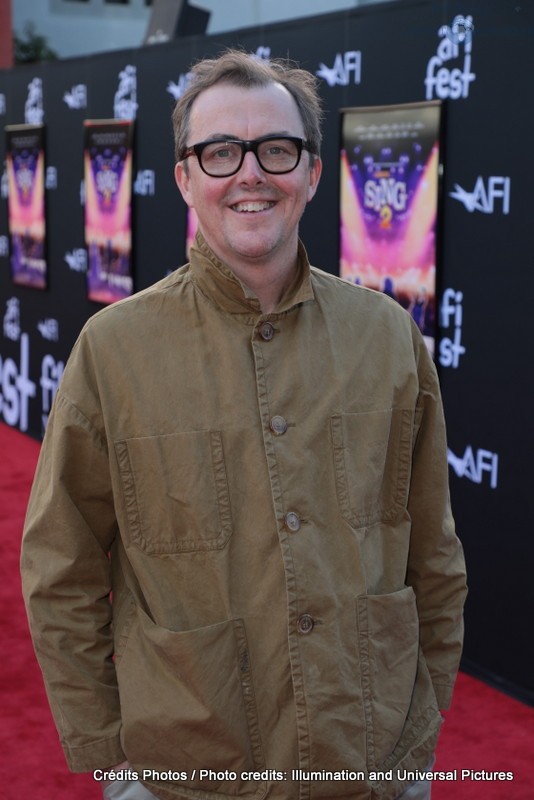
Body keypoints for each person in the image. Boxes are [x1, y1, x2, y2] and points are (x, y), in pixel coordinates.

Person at [21, 50, 467, 800]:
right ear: (185, 177)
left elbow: (433, 549)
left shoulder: (387, 335)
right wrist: (115, 765)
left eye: (277, 149)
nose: (250, 173)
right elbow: (60, 570)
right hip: (185, 775)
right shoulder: (114, 349)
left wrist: (420, 733)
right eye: (221, 151)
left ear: (313, 173)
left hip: (373, 766)